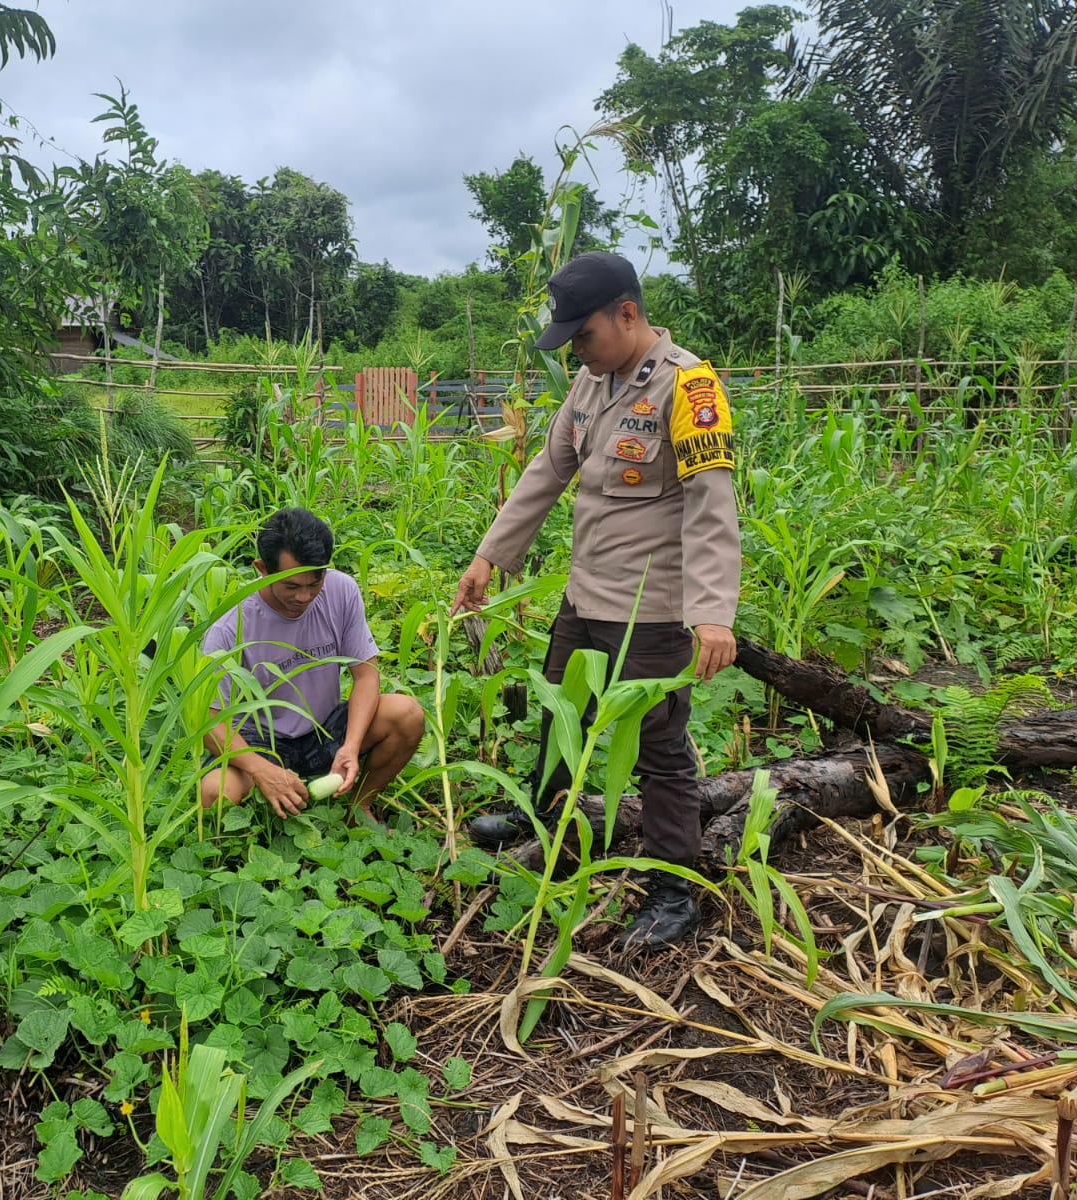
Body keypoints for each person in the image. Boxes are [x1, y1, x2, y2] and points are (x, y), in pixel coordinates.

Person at [451, 251, 741, 950]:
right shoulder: (590, 383)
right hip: (585, 597)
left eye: (584, 334)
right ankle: (546, 815)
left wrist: (712, 612)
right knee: (562, 712)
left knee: (659, 749)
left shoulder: (689, 387)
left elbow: (710, 505)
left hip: (650, 609)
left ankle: (673, 889)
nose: (576, 350)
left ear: (628, 315)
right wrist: (490, 556)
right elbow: (546, 471)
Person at [200, 508, 425, 827]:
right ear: (262, 569)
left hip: (324, 729)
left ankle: (358, 807)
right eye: (291, 586)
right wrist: (261, 770)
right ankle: (263, 817)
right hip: (259, 741)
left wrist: (351, 747)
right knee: (215, 793)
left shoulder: (341, 590)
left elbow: (366, 674)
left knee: (406, 714)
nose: (304, 596)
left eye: (315, 582)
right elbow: (210, 723)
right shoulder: (230, 626)